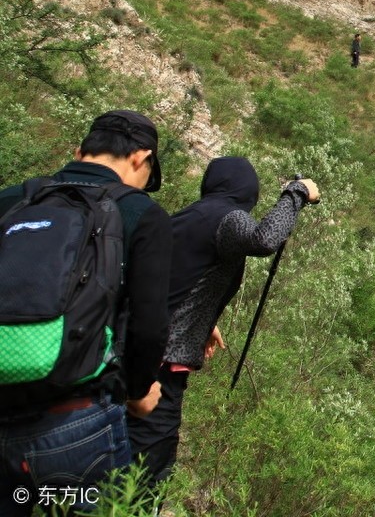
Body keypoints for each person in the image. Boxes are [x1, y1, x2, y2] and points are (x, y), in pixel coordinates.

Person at [0, 110, 171, 515]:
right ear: (141, 157)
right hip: (75, 421)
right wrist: (138, 392)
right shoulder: (139, 212)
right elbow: (149, 325)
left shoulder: (11, 199)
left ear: (79, 152)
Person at [127, 158, 320, 486]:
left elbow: (175, 282)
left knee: (126, 450)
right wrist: (297, 192)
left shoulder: (188, 217)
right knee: (149, 466)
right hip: (161, 365)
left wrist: (205, 321)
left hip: (136, 352)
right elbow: (264, 240)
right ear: (248, 191)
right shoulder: (228, 217)